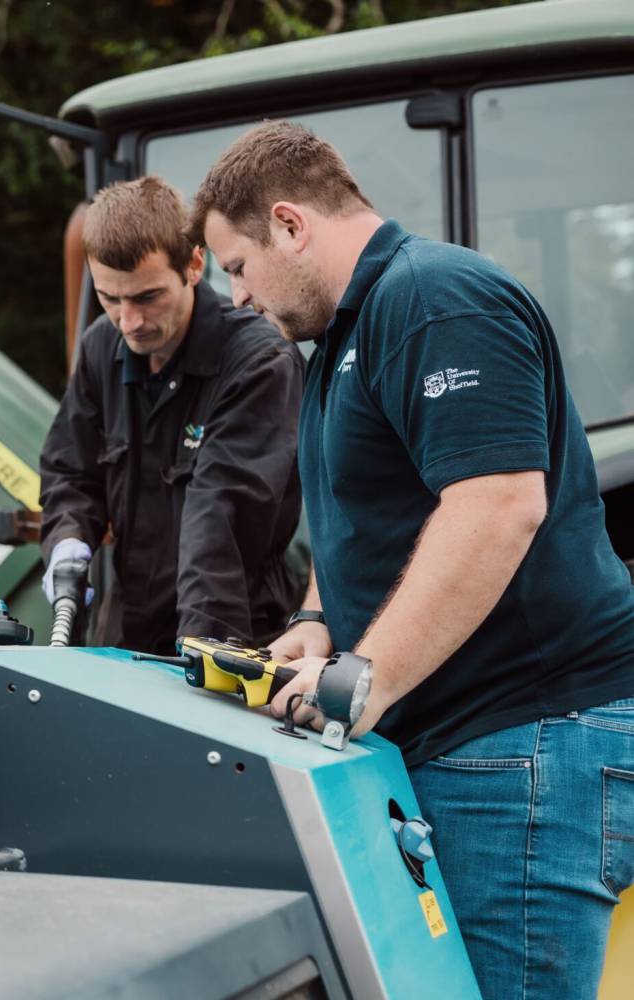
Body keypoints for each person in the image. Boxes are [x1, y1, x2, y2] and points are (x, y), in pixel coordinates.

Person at [190, 120, 634, 999]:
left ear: (289, 224)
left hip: (524, 742)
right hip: (475, 745)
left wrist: (362, 681)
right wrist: (318, 620)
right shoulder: (342, 339)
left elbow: (497, 506)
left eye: (236, 267)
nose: (236, 298)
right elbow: (371, 516)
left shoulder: (435, 300)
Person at [38, 176, 302, 652]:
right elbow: (70, 472)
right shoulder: (101, 347)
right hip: (127, 634)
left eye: (147, 297)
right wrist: (67, 539)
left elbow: (222, 515)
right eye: (110, 298)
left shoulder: (258, 362)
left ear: (194, 264)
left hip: (236, 630)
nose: (129, 322)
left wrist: (202, 659)